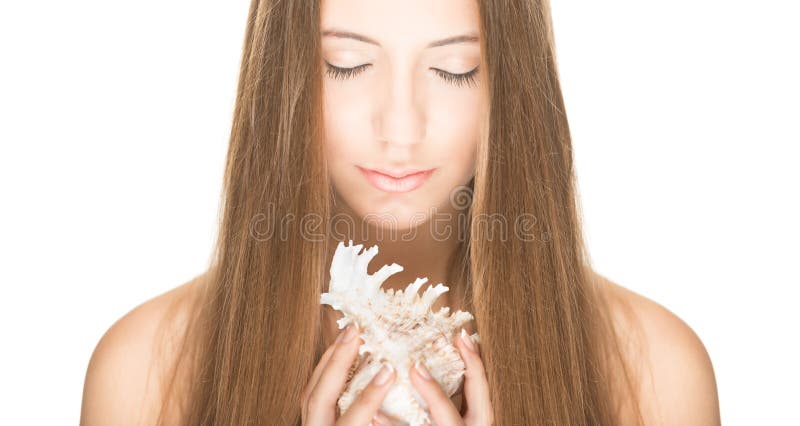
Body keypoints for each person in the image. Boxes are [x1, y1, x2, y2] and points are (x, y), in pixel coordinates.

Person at [80, 0, 721, 425]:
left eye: (455, 69)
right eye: (348, 64)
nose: (401, 126)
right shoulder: (147, 372)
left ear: (511, 83)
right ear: (288, 77)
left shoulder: (653, 373)